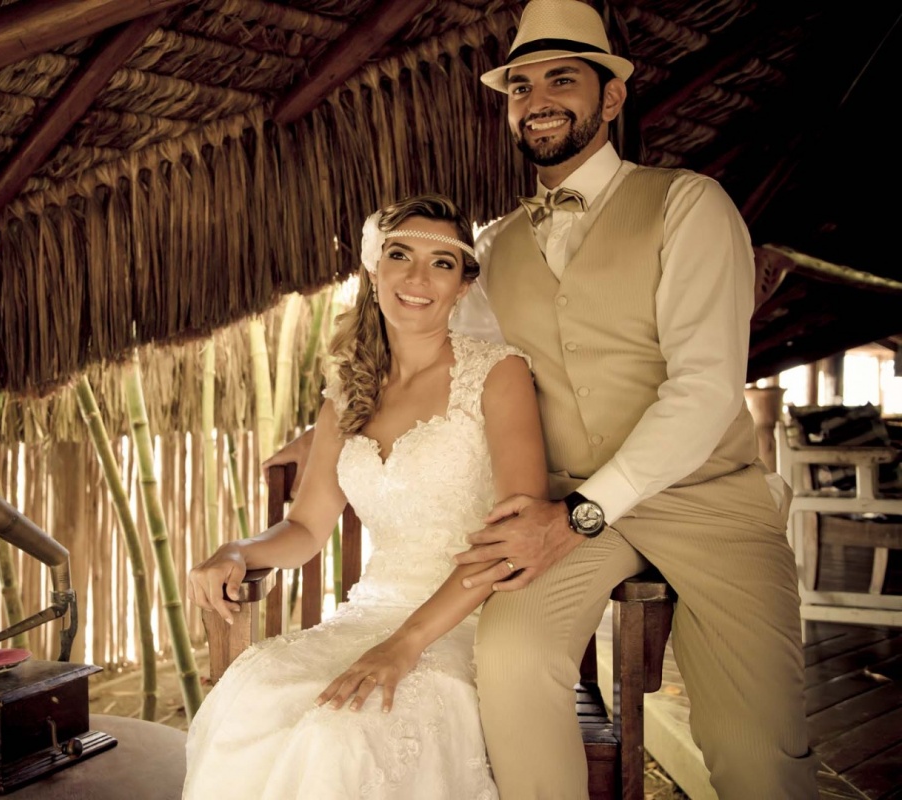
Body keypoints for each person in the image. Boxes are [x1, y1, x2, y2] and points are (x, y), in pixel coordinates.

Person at [264, 1, 818, 797]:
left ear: (613, 98)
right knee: (513, 664)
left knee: (755, 750)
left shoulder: (690, 205)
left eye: (563, 78)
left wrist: (580, 514)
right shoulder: (491, 249)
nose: (538, 99)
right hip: (561, 507)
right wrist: (328, 428)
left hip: (706, 496)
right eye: (521, 86)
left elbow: (702, 391)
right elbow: (437, 360)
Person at [182, 193, 544, 799]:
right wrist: (239, 551)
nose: (418, 278)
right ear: (375, 273)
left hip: (470, 621)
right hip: (369, 613)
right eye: (400, 255)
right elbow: (305, 530)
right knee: (252, 699)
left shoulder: (497, 374)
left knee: (339, 737)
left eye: (443, 263)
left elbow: (515, 538)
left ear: (463, 287)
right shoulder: (346, 393)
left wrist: (403, 647)